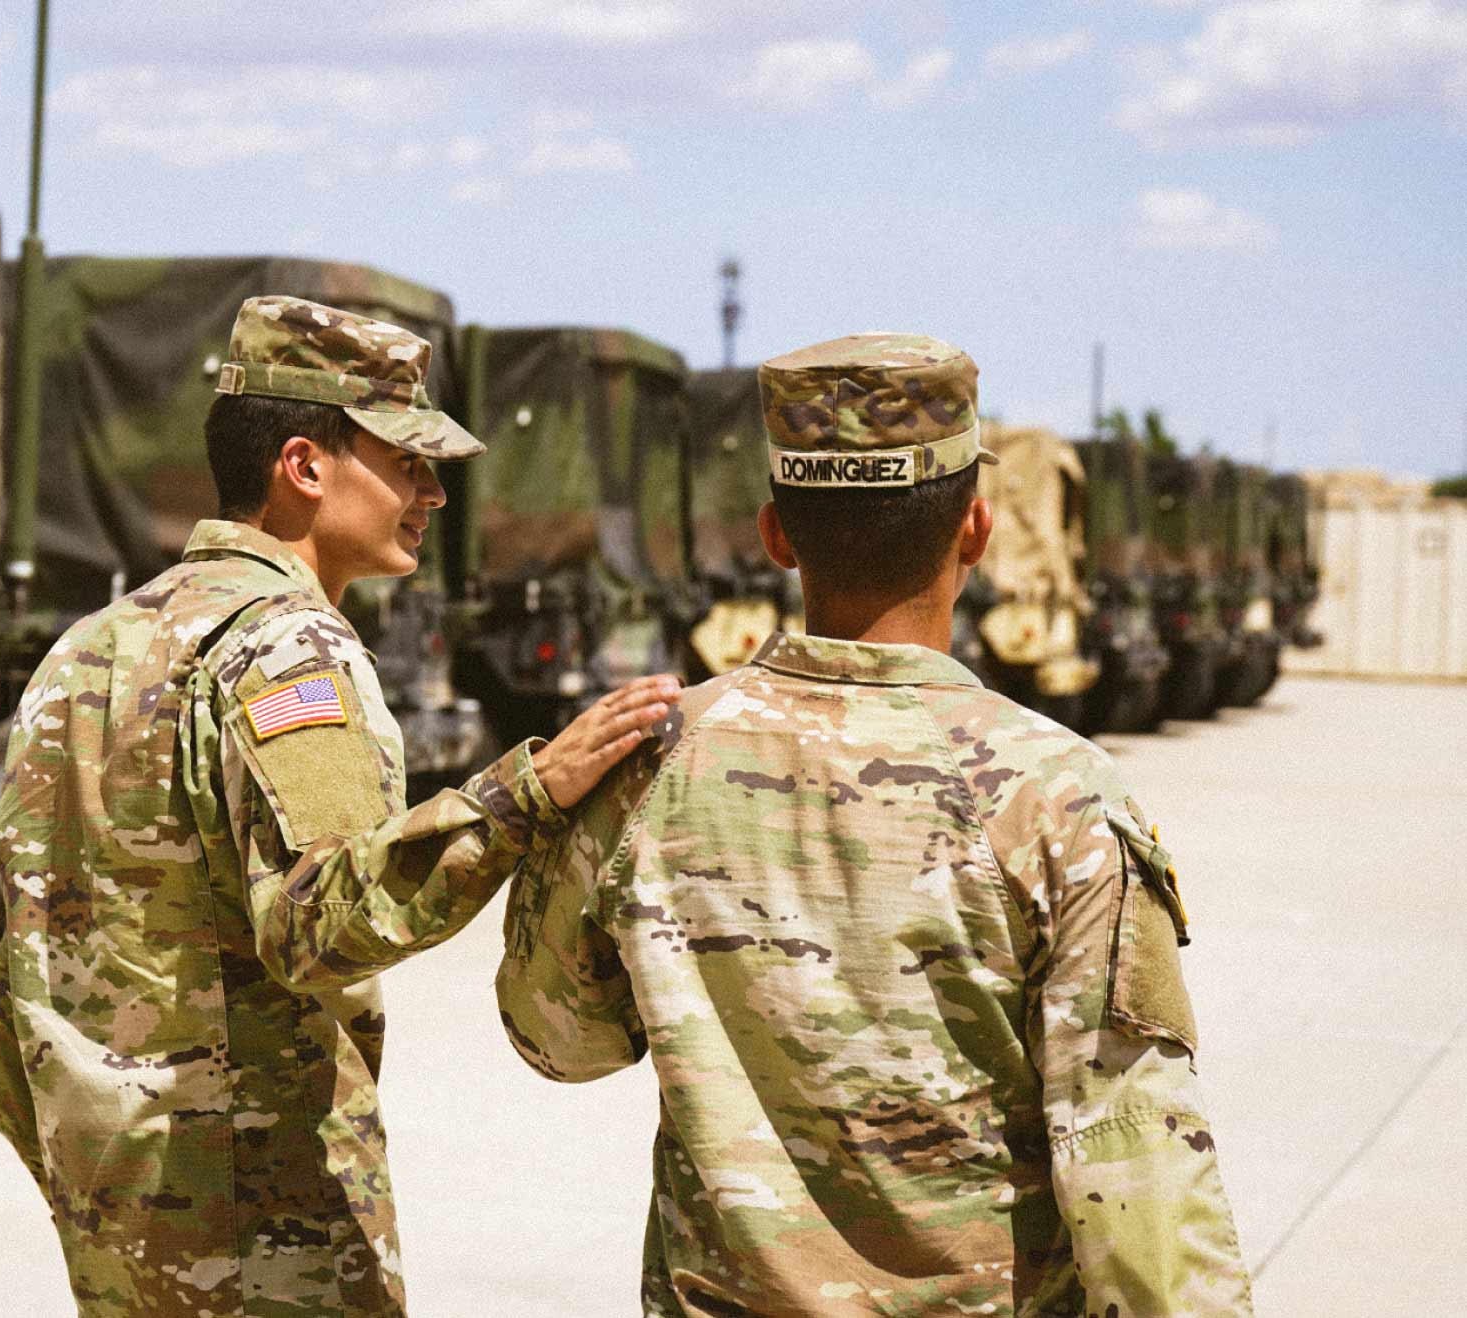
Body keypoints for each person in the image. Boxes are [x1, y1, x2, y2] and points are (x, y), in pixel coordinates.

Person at [495, 333, 1254, 1315]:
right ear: (974, 529)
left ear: (774, 534)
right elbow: (1131, 1159)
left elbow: (559, 1040)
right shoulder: (1058, 795)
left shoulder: (646, 758)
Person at [0, 295, 678, 1317]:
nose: (433, 494)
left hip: (114, 1193)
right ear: (303, 466)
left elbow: (26, 965)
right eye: (407, 461)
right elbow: (319, 922)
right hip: (255, 1218)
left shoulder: (89, 643)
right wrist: (524, 795)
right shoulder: (289, 646)